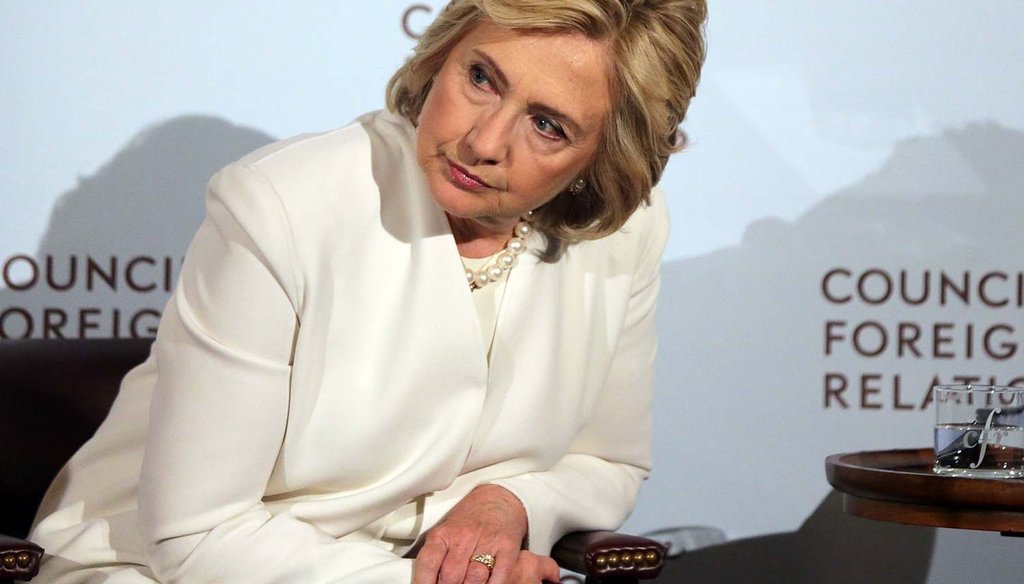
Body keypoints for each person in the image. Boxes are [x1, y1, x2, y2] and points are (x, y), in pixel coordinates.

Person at [30, 1, 707, 582]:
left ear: (604, 157)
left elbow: (608, 461)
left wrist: (512, 504)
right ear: (442, 53)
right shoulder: (280, 206)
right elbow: (196, 535)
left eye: (548, 125)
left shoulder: (626, 232)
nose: (483, 140)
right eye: (481, 77)